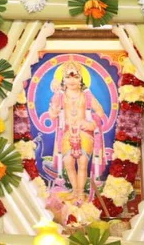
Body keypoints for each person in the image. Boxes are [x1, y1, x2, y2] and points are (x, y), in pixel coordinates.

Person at [48, 60, 107, 205]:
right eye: (68, 77)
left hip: (84, 133)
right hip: (67, 133)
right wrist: (54, 110)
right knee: (68, 162)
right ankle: (75, 192)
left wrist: (91, 124)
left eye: (75, 77)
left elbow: (100, 112)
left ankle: (81, 194)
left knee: (82, 163)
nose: (72, 81)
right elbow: (52, 115)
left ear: (81, 79)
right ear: (63, 80)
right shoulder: (60, 96)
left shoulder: (86, 96)